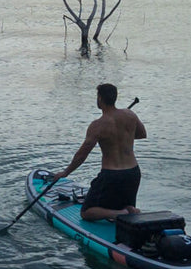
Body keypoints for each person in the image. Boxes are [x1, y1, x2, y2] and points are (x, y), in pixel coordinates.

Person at [53, 83, 146, 221]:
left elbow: (82, 155)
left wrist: (65, 172)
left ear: (100, 99)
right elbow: (142, 134)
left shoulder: (97, 125)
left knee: (86, 212)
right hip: (133, 172)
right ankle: (129, 210)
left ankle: (120, 214)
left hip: (112, 175)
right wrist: (123, 134)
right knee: (125, 203)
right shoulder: (130, 115)